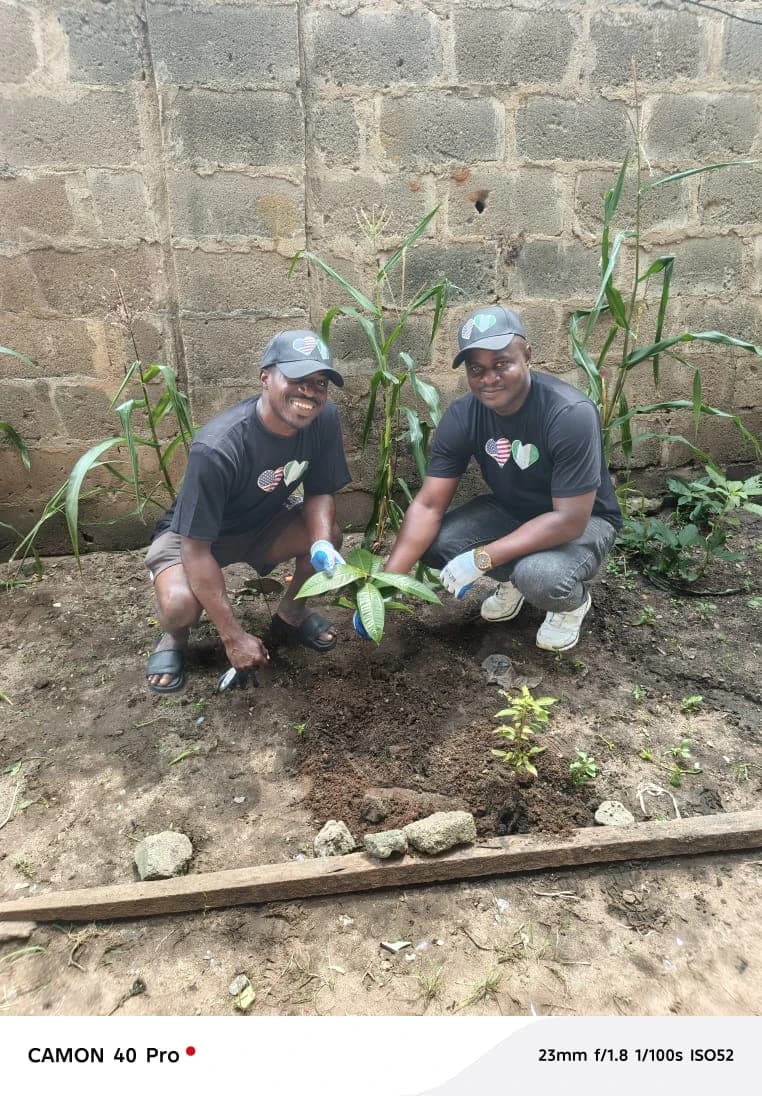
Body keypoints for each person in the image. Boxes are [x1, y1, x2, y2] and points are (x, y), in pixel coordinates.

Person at [382, 304, 622, 652]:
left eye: (501, 364)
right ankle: (512, 581)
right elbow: (429, 504)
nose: (489, 378)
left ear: (528, 356)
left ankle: (571, 604)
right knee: (435, 543)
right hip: (513, 509)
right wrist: (386, 583)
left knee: (538, 576)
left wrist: (483, 558)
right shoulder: (463, 416)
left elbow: (569, 520)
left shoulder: (568, 413)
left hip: (585, 520)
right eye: (476, 369)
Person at [144, 329, 350, 693]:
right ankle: (174, 638)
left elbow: (320, 491)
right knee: (179, 606)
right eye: (297, 378)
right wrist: (233, 636)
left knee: (329, 534)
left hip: (263, 523)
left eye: (320, 383)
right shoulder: (218, 447)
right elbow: (195, 550)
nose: (309, 391)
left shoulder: (324, 420)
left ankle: (290, 616)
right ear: (265, 378)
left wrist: (319, 544)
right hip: (194, 537)